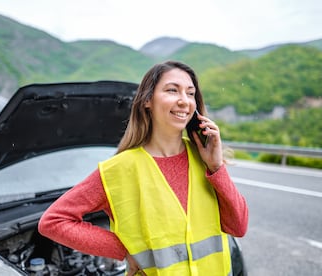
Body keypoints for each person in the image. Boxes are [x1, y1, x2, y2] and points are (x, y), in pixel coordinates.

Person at [38, 60, 248, 275]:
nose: (184, 101)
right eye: (172, 90)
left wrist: (216, 168)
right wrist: (124, 250)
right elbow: (53, 221)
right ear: (148, 100)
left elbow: (238, 227)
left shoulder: (205, 159)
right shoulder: (119, 169)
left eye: (190, 93)